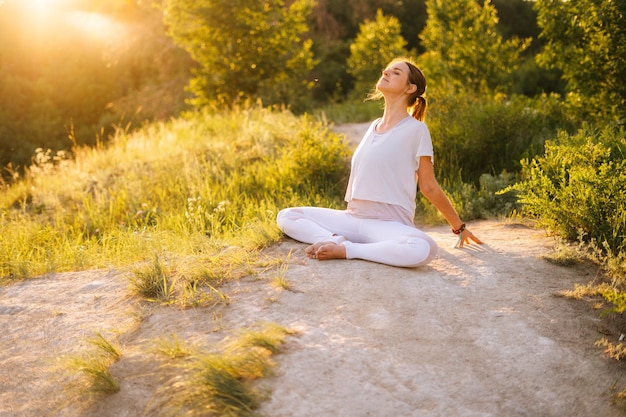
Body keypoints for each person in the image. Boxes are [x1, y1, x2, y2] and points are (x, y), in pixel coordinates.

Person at [276, 57, 483, 268]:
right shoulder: (373, 125)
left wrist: (459, 227)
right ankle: (333, 239)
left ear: (410, 88)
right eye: (387, 70)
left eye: (396, 73)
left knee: (423, 247)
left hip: (387, 224)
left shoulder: (417, 130)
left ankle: (348, 250)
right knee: (287, 215)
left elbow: (428, 186)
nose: (386, 72)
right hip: (352, 218)